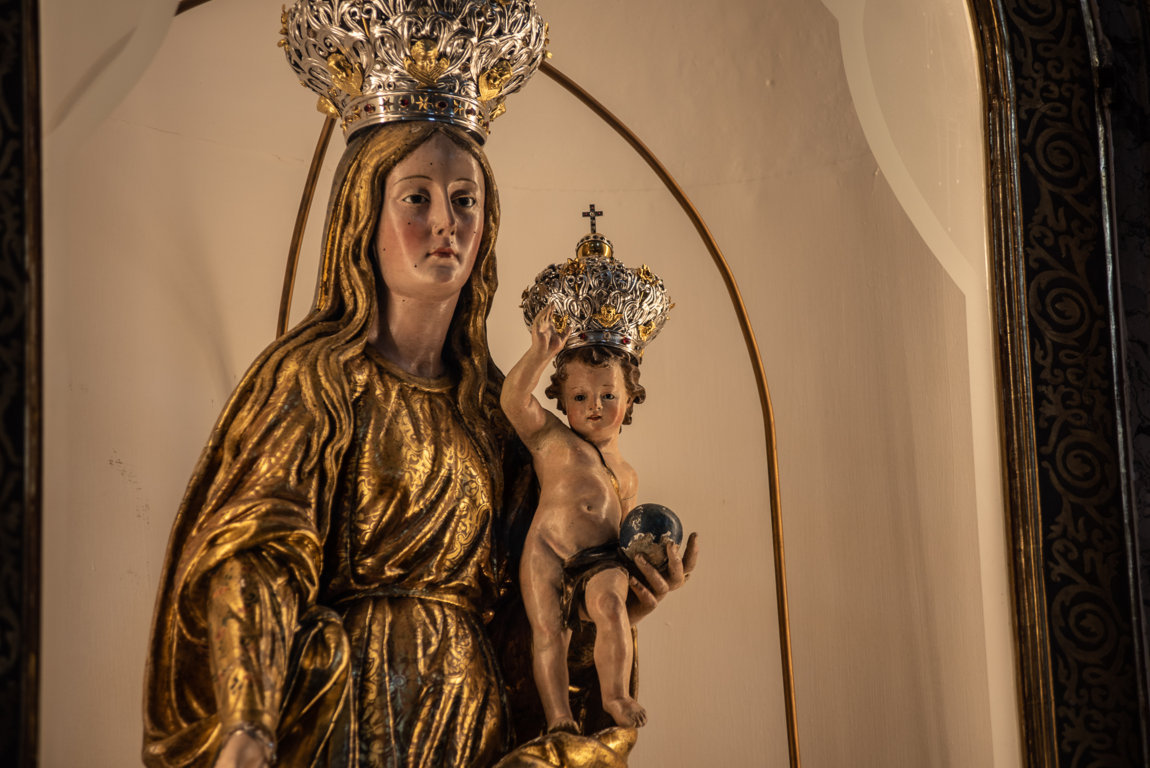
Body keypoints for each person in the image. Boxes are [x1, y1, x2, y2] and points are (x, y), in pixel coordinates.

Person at [142, 121, 695, 768]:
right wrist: (250, 722)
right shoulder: (315, 379)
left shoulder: (493, 416)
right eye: (416, 198)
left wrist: (610, 604)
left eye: (465, 201)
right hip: (345, 712)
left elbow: (529, 614)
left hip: (472, 718)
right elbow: (257, 558)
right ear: (363, 217)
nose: (445, 223)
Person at [501, 308, 694, 734]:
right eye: (579, 397)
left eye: (608, 395)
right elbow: (513, 401)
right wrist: (539, 353)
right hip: (546, 549)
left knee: (610, 607)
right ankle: (558, 716)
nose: (594, 406)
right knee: (549, 632)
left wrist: (653, 565)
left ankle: (615, 695)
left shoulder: (627, 475)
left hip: (602, 559)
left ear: (630, 399)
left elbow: (628, 540)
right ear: (562, 400)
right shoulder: (552, 440)